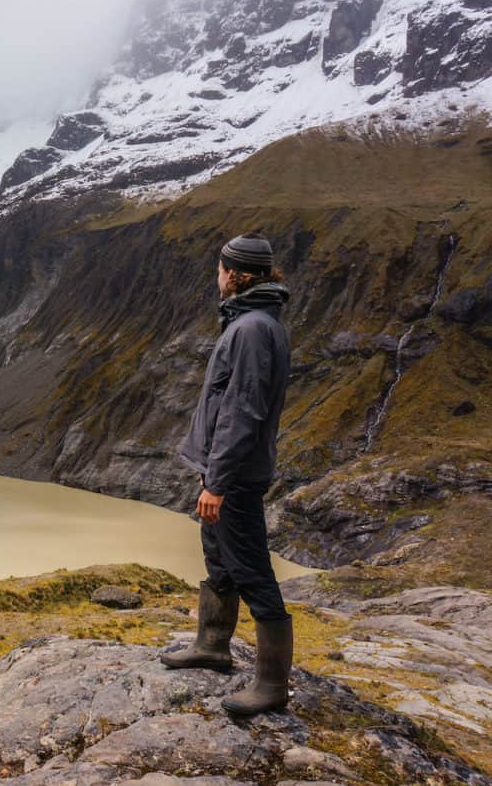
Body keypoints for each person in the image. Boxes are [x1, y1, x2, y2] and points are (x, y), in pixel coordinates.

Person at [159, 232, 294, 716]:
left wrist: (218, 480)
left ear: (235, 274)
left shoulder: (252, 329)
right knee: (220, 558)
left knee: (252, 569)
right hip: (225, 470)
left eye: (220, 268)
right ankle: (213, 646)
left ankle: (271, 686)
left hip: (234, 477)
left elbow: (242, 410)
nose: (216, 276)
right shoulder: (250, 322)